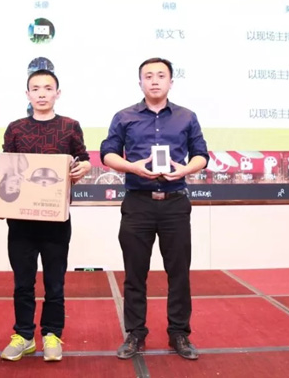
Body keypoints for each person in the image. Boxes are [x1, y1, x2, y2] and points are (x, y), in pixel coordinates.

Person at [100, 58, 209, 361]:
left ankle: (179, 333)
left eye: (161, 75)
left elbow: (201, 155)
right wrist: (131, 167)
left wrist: (185, 169)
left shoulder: (187, 117)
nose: (155, 80)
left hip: (175, 203)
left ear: (171, 81)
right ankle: (135, 333)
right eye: (148, 76)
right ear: (140, 83)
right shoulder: (124, 116)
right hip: (138, 203)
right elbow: (107, 153)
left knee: (179, 273)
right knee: (135, 273)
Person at [0, 69, 91, 362]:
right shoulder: (15, 128)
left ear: (57, 93)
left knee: (55, 282)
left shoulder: (70, 126)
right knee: (22, 282)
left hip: (56, 220)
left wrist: (84, 168)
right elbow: (8, 169)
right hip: (21, 222)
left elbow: (84, 160)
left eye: (48, 88)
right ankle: (24, 335)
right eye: (36, 88)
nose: (41, 94)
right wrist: (4, 201)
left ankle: (52, 334)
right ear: (27, 94)